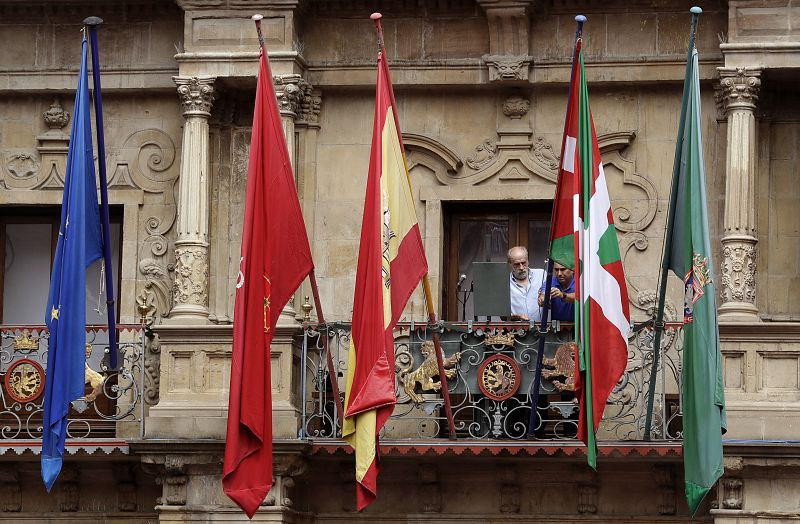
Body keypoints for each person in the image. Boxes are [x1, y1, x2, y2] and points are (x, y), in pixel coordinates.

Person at [507, 246, 545, 322]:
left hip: (543, 329)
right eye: (517, 264)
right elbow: (502, 316)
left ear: (528, 261)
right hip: (517, 331)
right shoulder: (505, 283)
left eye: (523, 263)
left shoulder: (542, 275)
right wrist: (516, 317)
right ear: (510, 264)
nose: (521, 267)